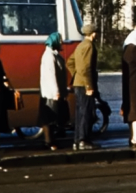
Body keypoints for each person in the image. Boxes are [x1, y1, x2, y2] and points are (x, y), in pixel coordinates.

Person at [67, 22, 99, 150]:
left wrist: (75, 75)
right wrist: (89, 86)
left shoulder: (80, 45)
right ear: (93, 33)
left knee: (80, 113)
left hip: (78, 84)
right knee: (86, 113)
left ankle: (77, 140)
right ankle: (83, 140)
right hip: (85, 85)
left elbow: (70, 62)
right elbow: (86, 68)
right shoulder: (89, 46)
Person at [37, 32, 69, 150]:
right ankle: (49, 142)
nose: (61, 42)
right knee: (49, 118)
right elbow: (51, 75)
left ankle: (52, 140)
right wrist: (56, 92)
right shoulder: (49, 56)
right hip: (50, 93)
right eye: (60, 40)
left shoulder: (55, 55)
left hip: (55, 92)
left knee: (55, 118)